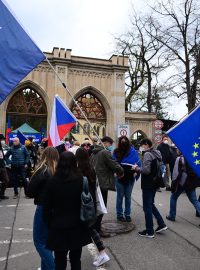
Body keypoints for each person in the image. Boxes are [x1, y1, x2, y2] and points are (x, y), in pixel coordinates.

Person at [43, 151, 91, 270]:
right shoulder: (81, 180)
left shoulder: (52, 182)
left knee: (60, 261)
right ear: (75, 164)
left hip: (58, 226)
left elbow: (46, 209)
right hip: (77, 225)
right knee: (75, 259)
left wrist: (50, 224)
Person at [76, 148, 110, 267]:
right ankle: (102, 253)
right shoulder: (91, 169)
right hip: (91, 204)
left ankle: (102, 253)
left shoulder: (78, 171)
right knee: (91, 229)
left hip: (83, 205)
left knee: (84, 229)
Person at [27, 147, 59, 270]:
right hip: (58, 210)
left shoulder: (42, 170)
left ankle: (53, 267)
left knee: (40, 242)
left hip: (43, 208)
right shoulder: (60, 171)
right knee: (48, 242)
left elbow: (30, 191)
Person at [133, 138, 168, 238]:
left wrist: (136, 168)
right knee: (150, 204)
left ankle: (149, 231)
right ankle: (161, 224)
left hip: (148, 183)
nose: (142, 147)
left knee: (147, 207)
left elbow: (146, 170)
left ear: (147, 145)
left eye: (142, 145)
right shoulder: (157, 153)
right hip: (155, 183)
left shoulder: (148, 154)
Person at [91, 136, 124, 237]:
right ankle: (97, 230)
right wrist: (121, 171)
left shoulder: (94, 152)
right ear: (105, 143)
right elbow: (113, 165)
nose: (110, 147)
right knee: (101, 207)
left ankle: (94, 228)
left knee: (96, 206)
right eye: (110, 144)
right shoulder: (105, 152)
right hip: (102, 183)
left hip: (95, 182)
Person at [113, 136, 141, 222]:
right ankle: (119, 214)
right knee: (120, 197)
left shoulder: (133, 152)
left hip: (130, 178)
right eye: (122, 141)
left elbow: (138, 163)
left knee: (128, 197)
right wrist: (114, 172)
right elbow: (113, 163)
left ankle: (127, 214)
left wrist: (136, 172)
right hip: (119, 177)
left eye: (125, 141)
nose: (123, 143)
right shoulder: (116, 152)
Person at [166, 151, 200, 222]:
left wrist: (174, 184)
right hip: (191, 183)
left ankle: (172, 216)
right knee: (194, 201)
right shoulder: (193, 158)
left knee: (173, 197)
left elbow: (176, 173)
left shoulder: (179, 159)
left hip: (181, 183)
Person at [0, 134, 9, 200]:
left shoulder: (1, 147)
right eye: (2, 139)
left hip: (2, 166)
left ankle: (2, 194)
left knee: (6, 180)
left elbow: (2, 156)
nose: (3, 141)